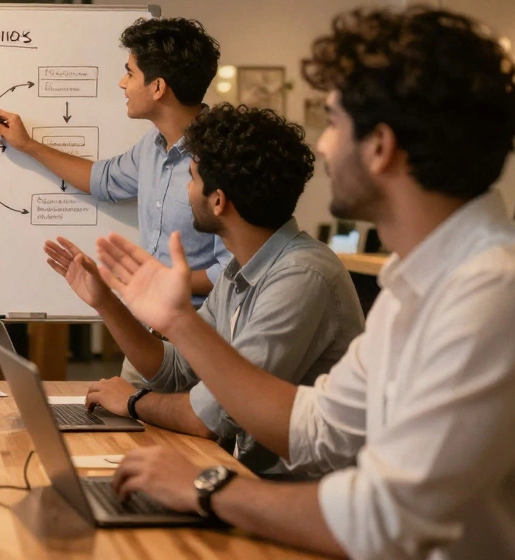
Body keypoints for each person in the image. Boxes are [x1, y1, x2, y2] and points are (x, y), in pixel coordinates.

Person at [100, 8, 515, 559]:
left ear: (380, 146)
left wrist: (208, 487)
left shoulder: (501, 290)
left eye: (335, 122)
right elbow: (316, 426)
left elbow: (387, 519)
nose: (323, 147)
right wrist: (179, 321)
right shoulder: (421, 283)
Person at [46, 104, 363, 474]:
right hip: (244, 473)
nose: (187, 188)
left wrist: (133, 402)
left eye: (193, 178)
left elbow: (211, 418)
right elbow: (178, 372)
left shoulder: (301, 276)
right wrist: (106, 303)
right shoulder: (238, 269)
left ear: (218, 201)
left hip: (294, 492)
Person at [0, 17, 231, 384]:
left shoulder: (222, 158)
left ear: (158, 87)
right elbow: (101, 180)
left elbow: (233, 271)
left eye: (130, 73)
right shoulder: (151, 147)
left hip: (201, 342)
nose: (122, 83)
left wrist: (158, 280)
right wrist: (28, 145)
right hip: (147, 336)